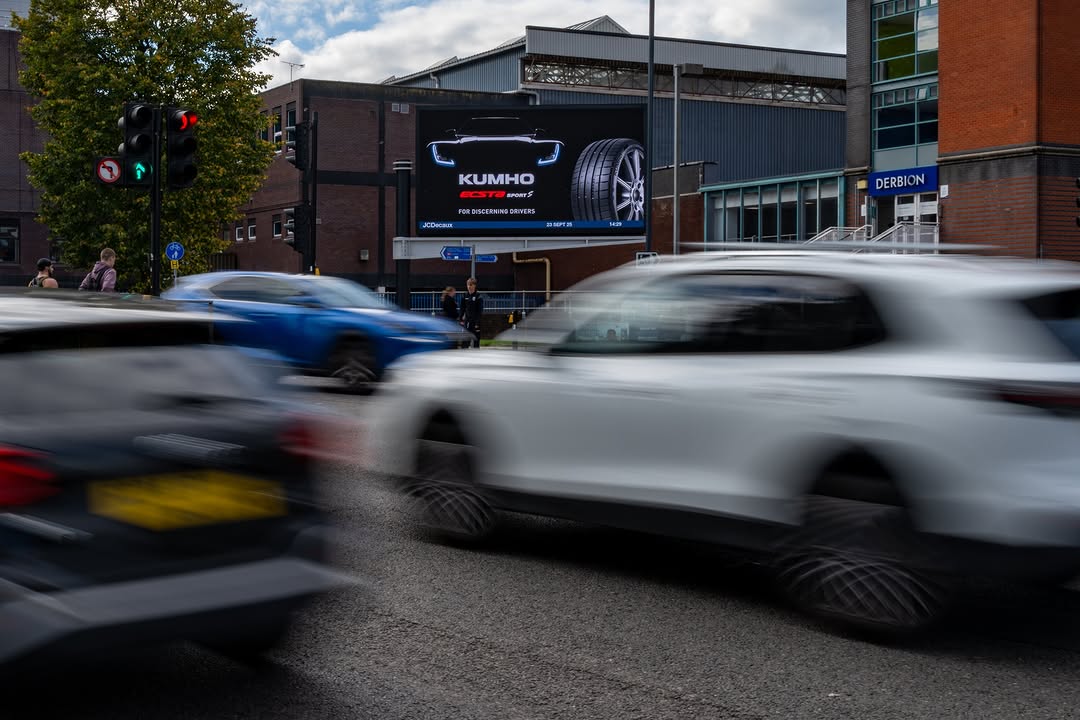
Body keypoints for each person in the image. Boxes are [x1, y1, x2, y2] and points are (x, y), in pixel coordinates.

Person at [458, 277, 484, 348]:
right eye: (468, 285)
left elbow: (480, 311)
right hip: (467, 321)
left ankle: (476, 356)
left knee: (476, 340)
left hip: (475, 322)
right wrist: (460, 319)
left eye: (471, 285)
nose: (469, 287)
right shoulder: (465, 295)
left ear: (474, 286)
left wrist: (477, 322)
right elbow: (462, 308)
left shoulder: (478, 296)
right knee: (465, 340)